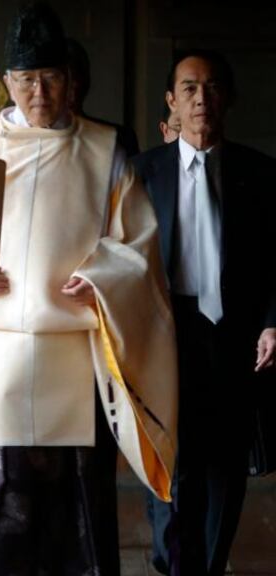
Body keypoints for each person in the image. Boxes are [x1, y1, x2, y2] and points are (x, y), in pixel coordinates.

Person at [0, 4, 179, 575]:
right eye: (26, 80)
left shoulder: (104, 152)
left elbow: (138, 246)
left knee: (74, 507)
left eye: (50, 78)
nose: (39, 92)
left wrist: (101, 277)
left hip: (74, 352)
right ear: (7, 82)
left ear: (69, 80)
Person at [133, 49, 276, 576]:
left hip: (236, 335)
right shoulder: (142, 172)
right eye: (189, 88)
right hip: (167, 333)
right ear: (171, 101)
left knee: (226, 470)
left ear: (228, 98)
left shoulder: (260, 174)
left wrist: (272, 320)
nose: (200, 99)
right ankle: (176, 566)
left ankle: (209, 567)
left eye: (212, 87)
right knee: (174, 468)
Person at [143, 97, 181, 575]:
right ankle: (164, 547)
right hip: (151, 329)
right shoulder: (145, 173)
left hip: (204, 327)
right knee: (159, 447)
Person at [66, 37, 141, 156]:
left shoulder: (120, 137)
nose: (74, 86)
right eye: (66, 79)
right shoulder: (32, 142)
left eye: (77, 77)